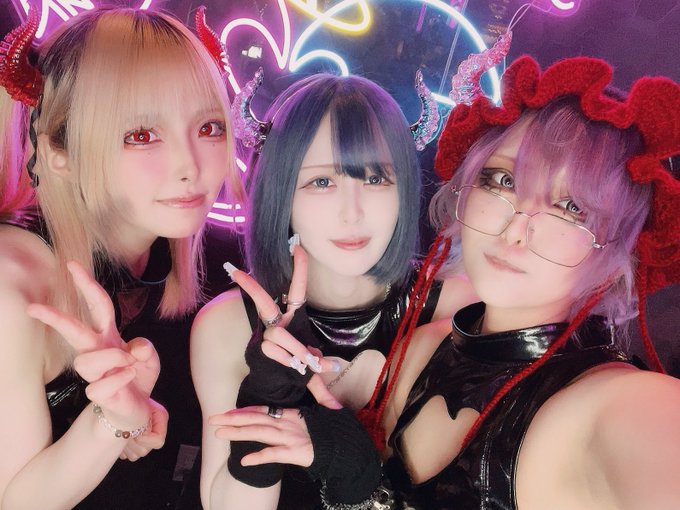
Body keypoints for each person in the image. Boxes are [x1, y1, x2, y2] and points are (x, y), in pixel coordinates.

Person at [209, 55, 680, 510]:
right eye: (503, 180)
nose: (516, 229)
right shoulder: (419, 350)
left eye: (571, 207)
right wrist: (276, 408)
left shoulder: (624, 405)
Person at [191, 71, 477, 509]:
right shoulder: (226, 325)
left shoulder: (455, 311)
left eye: (376, 179)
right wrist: (265, 397)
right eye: (322, 182)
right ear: (281, 194)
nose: (352, 212)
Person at [0, 6, 240, 509]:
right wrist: (112, 422)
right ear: (59, 153)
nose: (190, 165)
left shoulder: (180, 259)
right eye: (141, 135)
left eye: (209, 127)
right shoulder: (11, 285)